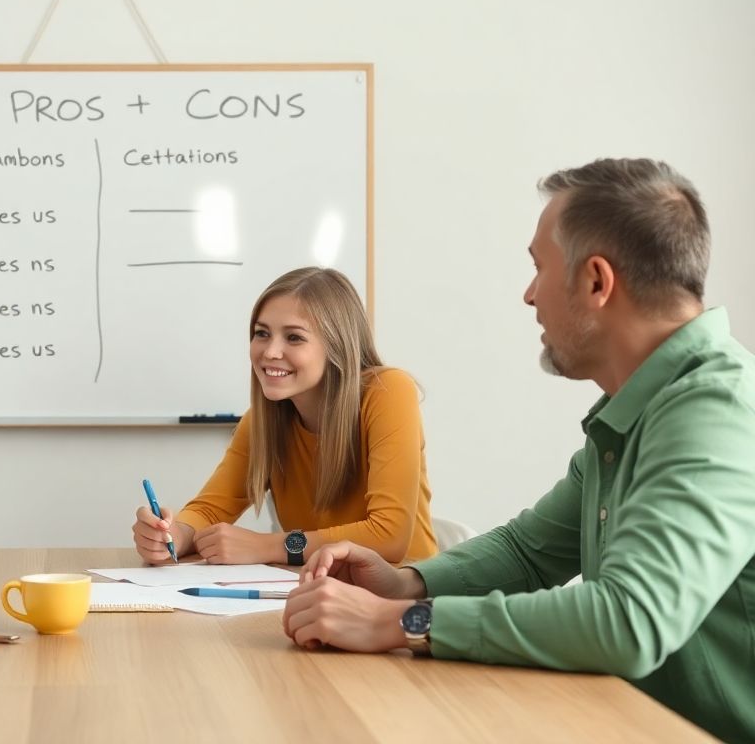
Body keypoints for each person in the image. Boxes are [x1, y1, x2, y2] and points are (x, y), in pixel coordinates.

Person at [282, 159, 755, 742]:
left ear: (597, 282)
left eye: (538, 268)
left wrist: (400, 623)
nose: (529, 295)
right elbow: (530, 552)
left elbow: (629, 621)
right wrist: (404, 584)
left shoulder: (717, 410)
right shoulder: (639, 410)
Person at [132, 267, 438, 567]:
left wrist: (266, 545)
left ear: (337, 347)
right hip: (315, 591)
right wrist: (175, 535)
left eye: (294, 338)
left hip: (406, 601)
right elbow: (210, 510)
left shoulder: (388, 391)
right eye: (262, 334)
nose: (270, 352)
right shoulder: (264, 420)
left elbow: (388, 537)